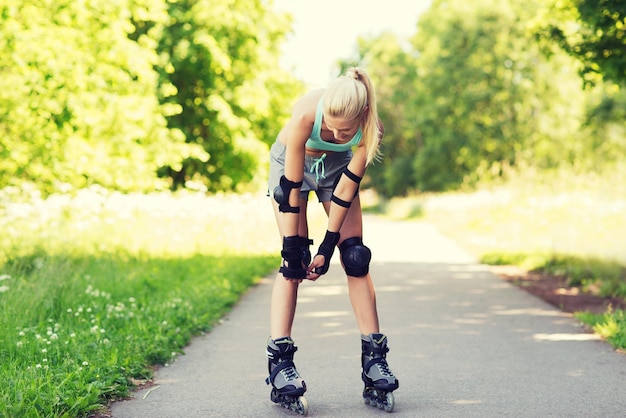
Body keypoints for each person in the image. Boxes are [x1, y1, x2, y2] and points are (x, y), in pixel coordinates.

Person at [265, 67, 399, 413]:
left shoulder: (371, 131)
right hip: (291, 169)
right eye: (330, 127)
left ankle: (375, 360)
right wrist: (300, 247)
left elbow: (344, 193)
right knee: (291, 261)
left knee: (355, 258)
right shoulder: (307, 113)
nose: (336, 134)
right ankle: (280, 362)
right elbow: (292, 188)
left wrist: (327, 250)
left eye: (345, 131)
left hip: (337, 170)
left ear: (363, 117)